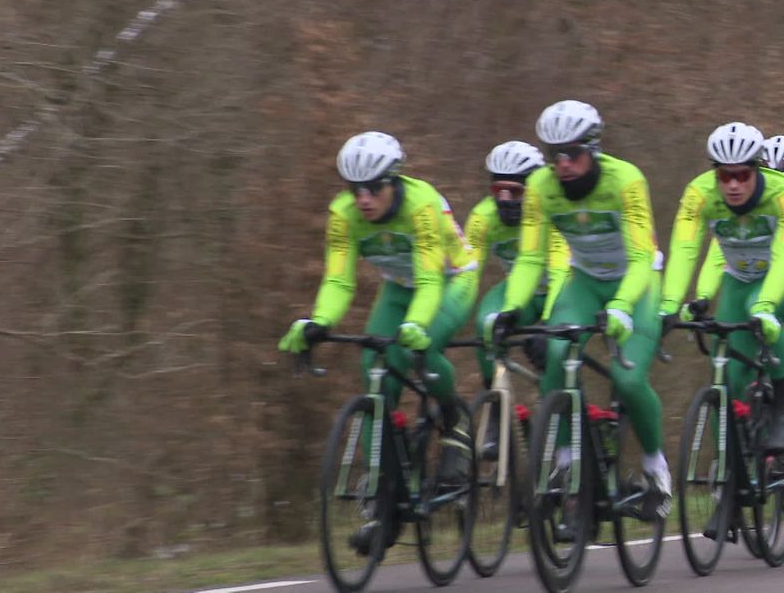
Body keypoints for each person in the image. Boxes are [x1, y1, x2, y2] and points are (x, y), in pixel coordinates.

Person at [485, 100, 671, 519]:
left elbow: (644, 256)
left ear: (594, 148)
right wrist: (512, 307)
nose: (563, 164)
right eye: (555, 156)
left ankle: (655, 467)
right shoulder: (542, 189)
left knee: (627, 377)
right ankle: (566, 460)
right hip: (584, 281)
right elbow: (531, 259)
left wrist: (623, 306)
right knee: (556, 354)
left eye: (572, 153)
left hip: (635, 282)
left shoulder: (626, 180)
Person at [278, 131, 480, 494]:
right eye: (354, 189)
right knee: (372, 363)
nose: (363, 199)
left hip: (451, 280)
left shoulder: (421, 206)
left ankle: (454, 419)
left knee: (422, 346)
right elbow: (339, 281)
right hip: (400, 285)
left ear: (394, 181)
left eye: (373, 188)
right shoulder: (343, 214)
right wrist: (319, 321)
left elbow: (430, 281)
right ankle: (387, 480)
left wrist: (416, 324)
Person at [659, 122, 784, 463]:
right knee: (725, 378)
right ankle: (730, 481)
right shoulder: (699, 194)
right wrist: (670, 302)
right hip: (738, 281)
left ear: (757, 169)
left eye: (742, 175)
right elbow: (685, 248)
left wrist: (769, 305)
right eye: (725, 176)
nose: (734, 185)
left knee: (760, 309)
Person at [465, 141, 570, 460]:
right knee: (486, 324)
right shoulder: (483, 218)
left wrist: (548, 324)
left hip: (563, 287)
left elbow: (562, 268)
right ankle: (496, 408)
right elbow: (467, 274)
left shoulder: (549, 212)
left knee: (553, 348)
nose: (505, 200)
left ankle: (558, 424)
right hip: (520, 291)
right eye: (498, 190)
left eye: (516, 191)